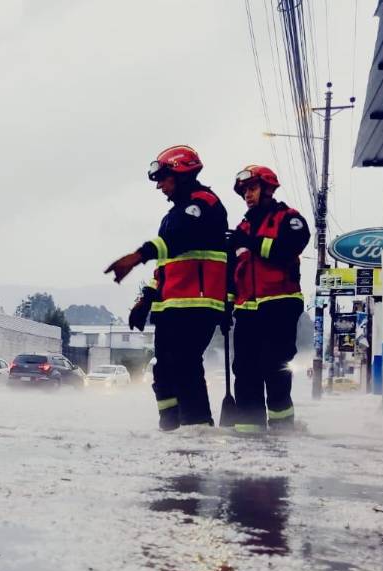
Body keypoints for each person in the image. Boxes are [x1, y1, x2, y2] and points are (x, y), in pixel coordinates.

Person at [104, 146, 228, 431]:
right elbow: (165, 266)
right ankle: (170, 430)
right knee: (163, 370)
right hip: (170, 306)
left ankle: (197, 431)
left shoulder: (205, 204)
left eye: (163, 178)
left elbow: (180, 238)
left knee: (185, 364)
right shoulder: (172, 215)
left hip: (198, 304)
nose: (159, 186)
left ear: (181, 174)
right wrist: (146, 300)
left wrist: (137, 256)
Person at [228, 165, 309, 432]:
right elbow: (233, 272)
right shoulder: (242, 228)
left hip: (280, 306)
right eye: (244, 192)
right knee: (244, 370)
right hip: (246, 312)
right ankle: (248, 434)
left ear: (268, 189)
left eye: (252, 188)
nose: (247, 195)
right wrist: (226, 306)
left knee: (275, 368)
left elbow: (287, 250)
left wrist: (251, 241)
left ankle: (282, 432)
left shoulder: (290, 219)